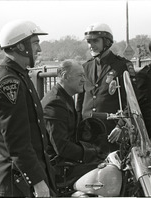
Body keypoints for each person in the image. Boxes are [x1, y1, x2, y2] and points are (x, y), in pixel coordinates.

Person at [0, 19, 56, 197]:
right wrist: (37, 182)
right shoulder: (9, 82)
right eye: (35, 43)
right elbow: (17, 141)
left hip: (24, 180)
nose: (39, 49)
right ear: (20, 47)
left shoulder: (18, 75)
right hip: (17, 183)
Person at [41, 60, 106, 194]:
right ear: (65, 76)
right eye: (80, 76)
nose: (84, 79)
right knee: (105, 174)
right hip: (57, 168)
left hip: (65, 163)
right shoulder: (55, 102)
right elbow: (61, 146)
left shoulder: (65, 97)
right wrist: (92, 153)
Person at [76, 22, 137, 152]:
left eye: (95, 41)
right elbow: (80, 101)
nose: (91, 45)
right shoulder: (85, 67)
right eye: (89, 42)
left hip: (112, 132)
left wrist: (121, 126)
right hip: (88, 133)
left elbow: (131, 100)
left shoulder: (122, 66)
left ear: (107, 42)